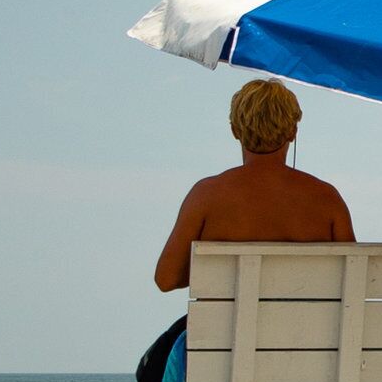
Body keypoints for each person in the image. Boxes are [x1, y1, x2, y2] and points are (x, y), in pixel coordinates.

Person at [152, 79, 354, 292]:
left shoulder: (207, 195)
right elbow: (354, 279)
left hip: (225, 325)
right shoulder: (326, 199)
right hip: (307, 325)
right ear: (292, 132)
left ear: (235, 131)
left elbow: (166, 280)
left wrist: (214, 271)